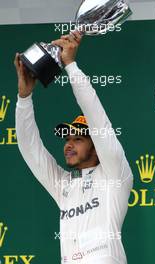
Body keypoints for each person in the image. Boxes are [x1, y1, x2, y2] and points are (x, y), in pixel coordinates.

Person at [14, 31, 133, 264]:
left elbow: (96, 116)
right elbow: (30, 148)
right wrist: (24, 97)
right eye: (68, 139)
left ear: (97, 146)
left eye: (78, 139)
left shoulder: (114, 174)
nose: (69, 144)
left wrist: (70, 65)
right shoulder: (63, 184)